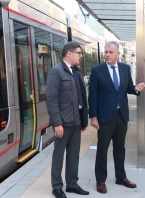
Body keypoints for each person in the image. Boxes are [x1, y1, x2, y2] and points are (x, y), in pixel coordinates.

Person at [88, 41, 145, 194]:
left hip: (121, 116)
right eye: (106, 52)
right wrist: (93, 117)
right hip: (104, 117)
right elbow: (92, 95)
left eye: (110, 52)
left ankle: (120, 177)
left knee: (120, 148)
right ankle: (100, 180)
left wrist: (136, 89)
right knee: (102, 149)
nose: (107, 54)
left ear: (118, 54)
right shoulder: (97, 70)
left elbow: (127, 88)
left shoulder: (125, 68)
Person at [46, 41, 89, 198]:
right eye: (79, 53)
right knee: (59, 155)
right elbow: (51, 100)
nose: (81, 56)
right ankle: (56, 187)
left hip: (76, 122)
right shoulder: (55, 72)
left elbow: (82, 99)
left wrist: (83, 121)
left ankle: (72, 184)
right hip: (63, 123)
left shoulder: (76, 72)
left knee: (74, 154)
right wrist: (57, 123)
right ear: (69, 53)